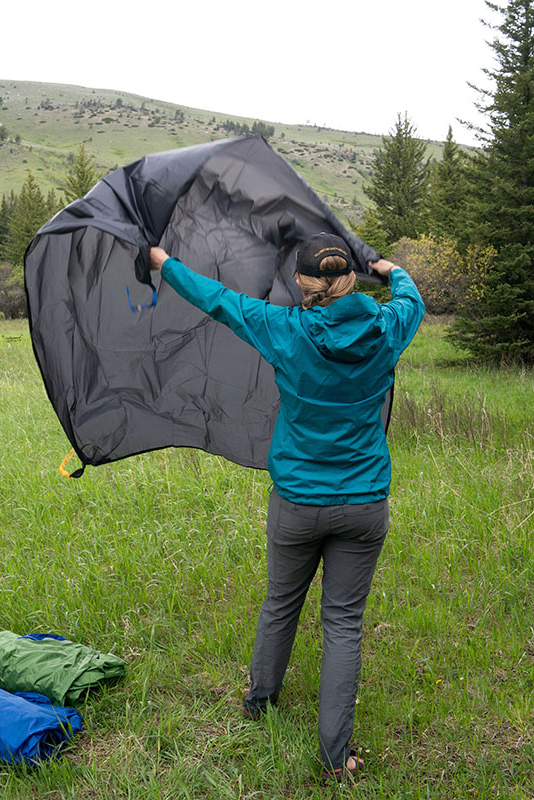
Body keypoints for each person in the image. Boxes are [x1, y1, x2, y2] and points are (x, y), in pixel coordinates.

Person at [149, 233, 425, 782]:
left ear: (301, 283)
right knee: (343, 624)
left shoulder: (283, 329)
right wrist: (391, 268)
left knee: (281, 601)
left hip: (298, 502)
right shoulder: (386, 328)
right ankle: (335, 758)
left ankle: (259, 701)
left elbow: (219, 300)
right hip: (365, 502)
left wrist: (166, 264)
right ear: (349, 279)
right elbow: (411, 299)